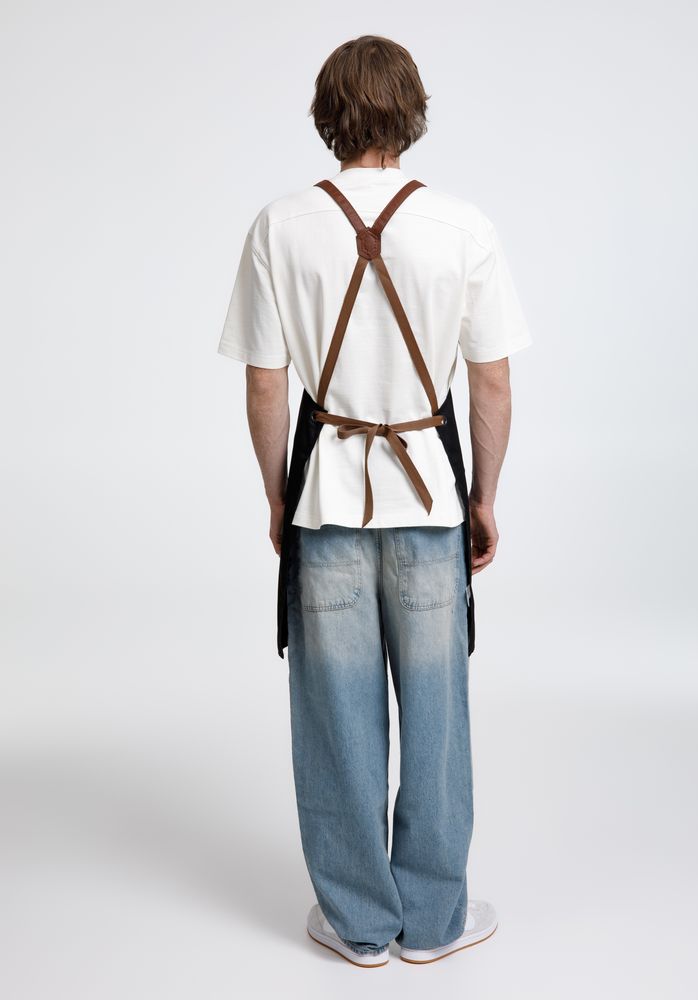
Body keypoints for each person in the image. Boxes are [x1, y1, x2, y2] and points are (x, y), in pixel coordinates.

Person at [217, 34, 532, 967]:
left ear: (328, 114)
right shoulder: (462, 226)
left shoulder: (279, 226)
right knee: (438, 718)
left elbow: (266, 384)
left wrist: (278, 495)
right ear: (412, 110)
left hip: (325, 506)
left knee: (334, 717)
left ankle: (358, 922)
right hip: (432, 504)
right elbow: (492, 382)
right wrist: (484, 497)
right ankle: (432, 922)